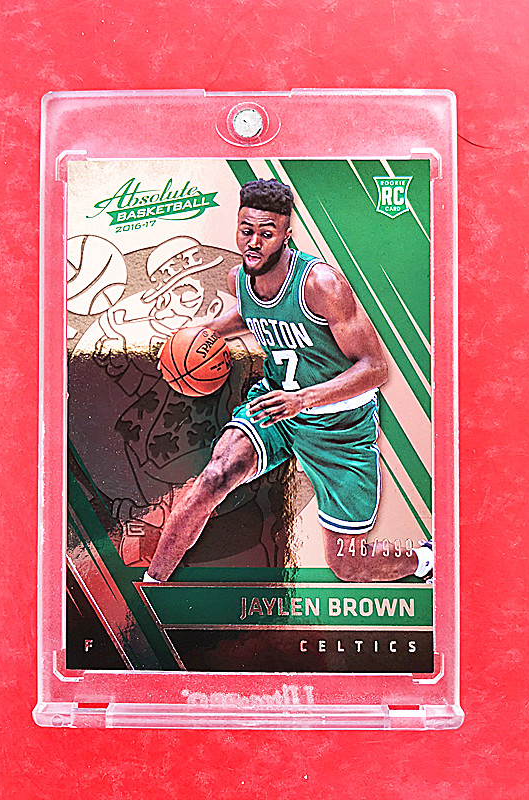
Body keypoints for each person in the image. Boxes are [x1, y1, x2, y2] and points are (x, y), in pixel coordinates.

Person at [143, 178, 433, 583]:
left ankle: (426, 560)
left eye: (267, 233)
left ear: (286, 234)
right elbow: (250, 312)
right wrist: (200, 335)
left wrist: (303, 400)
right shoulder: (239, 278)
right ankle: (154, 586)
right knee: (215, 477)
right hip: (275, 407)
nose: (254, 243)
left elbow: (374, 369)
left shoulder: (321, 284)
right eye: (246, 230)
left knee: (349, 565)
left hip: (340, 426)